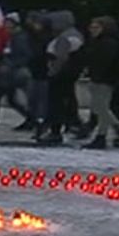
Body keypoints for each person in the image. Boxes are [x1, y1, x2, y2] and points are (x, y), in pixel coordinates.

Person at [80, 16, 119, 149]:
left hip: (104, 79)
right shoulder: (103, 42)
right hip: (103, 79)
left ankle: (117, 129)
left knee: (101, 108)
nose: (92, 30)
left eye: (96, 27)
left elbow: (103, 63)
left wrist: (96, 75)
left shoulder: (106, 43)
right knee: (101, 108)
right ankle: (105, 134)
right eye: (91, 27)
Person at [37, 10, 85, 145]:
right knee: (67, 100)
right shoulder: (75, 35)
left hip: (60, 75)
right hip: (69, 74)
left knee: (56, 103)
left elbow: (60, 58)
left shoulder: (64, 38)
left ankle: (56, 130)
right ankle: (74, 125)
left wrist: (52, 71)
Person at [25, 11, 52, 137]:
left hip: (43, 73)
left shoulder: (46, 38)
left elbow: (42, 54)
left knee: (41, 102)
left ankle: (42, 125)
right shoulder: (32, 37)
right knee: (34, 101)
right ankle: (37, 124)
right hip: (34, 71)